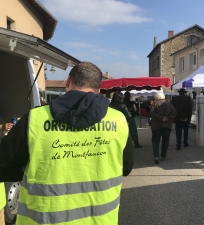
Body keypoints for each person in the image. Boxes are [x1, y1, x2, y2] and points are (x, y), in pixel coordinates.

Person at [0, 62, 134, 225]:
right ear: (99, 89)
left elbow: (4, 167)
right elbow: (126, 168)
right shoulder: (118, 120)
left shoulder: (35, 119)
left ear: (68, 81)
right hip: (100, 220)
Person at [150, 92, 176, 164]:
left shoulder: (154, 104)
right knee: (165, 141)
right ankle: (163, 156)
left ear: (157, 98)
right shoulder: (169, 104)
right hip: (166, 125)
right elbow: (174, 113)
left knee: (155, 141)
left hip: (156, 126)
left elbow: (152, 113)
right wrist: (167, 118)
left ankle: (156, 156)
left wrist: (161, 118)